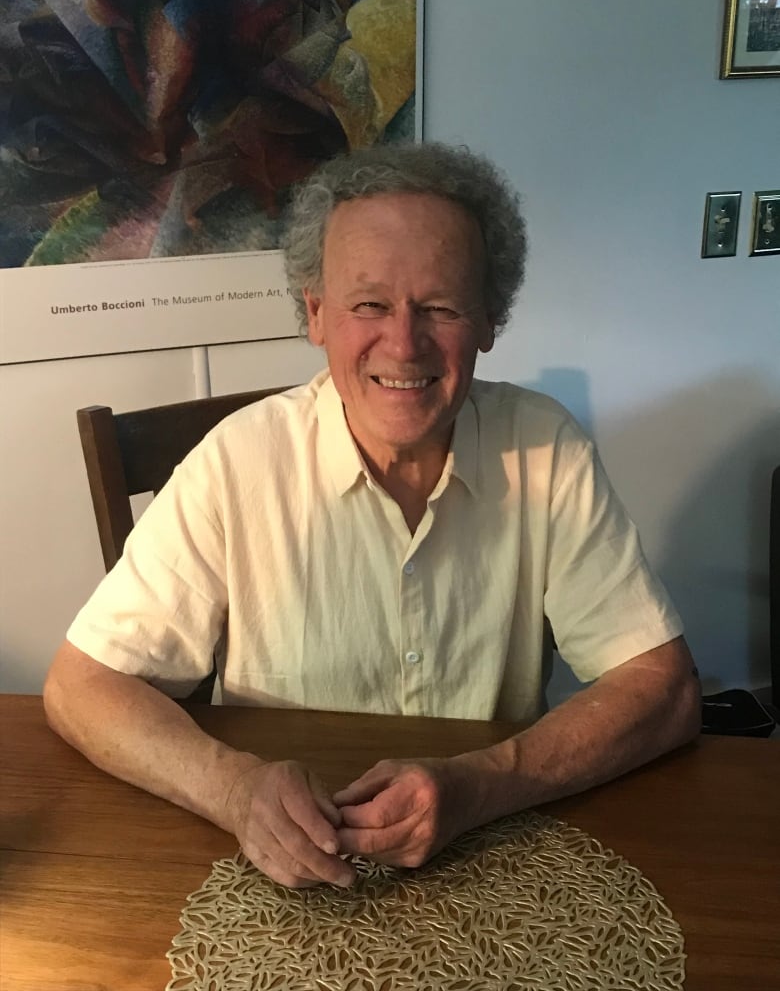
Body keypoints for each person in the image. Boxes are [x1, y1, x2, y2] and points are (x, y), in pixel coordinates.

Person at [44, 142, 701, 890]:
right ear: (316, 314)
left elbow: (666, 690)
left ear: (489, 319)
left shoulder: (546, 448)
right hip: (275, 872)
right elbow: (81, 686)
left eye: (441, 307)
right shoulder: (234, 463)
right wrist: (232, 788)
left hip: (487, 853)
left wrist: (483, 782)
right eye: (369, 305)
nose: (403, 343)